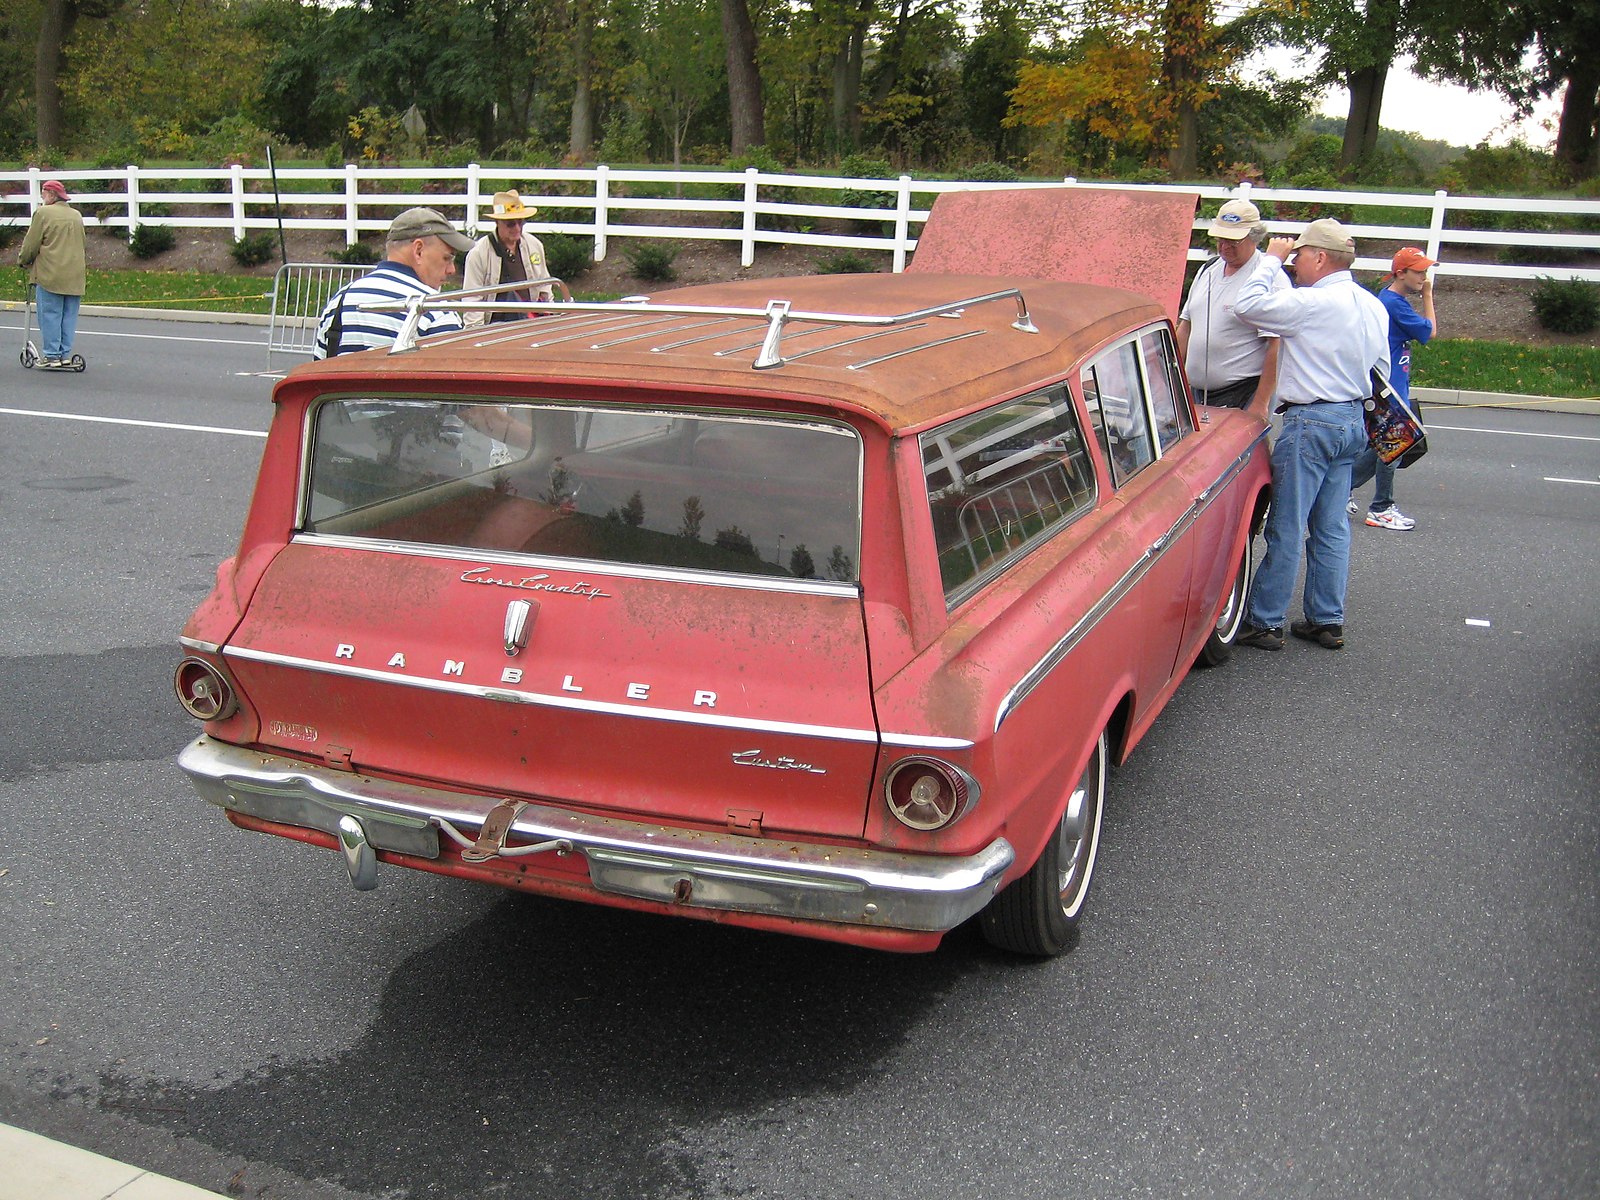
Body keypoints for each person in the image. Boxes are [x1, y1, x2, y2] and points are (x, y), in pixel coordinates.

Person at [1231, 218, 1390, 652]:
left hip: (1312, 419)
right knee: (1332, 525)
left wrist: (1271, 262)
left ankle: (1265, 620)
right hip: (1353, 417)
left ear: (1320, 257)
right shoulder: (1371, 304)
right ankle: (1325, 618)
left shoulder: (1314, 303)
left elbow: (1247, 305)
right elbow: (1382, 368)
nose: (1296, 263)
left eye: (1300, 255)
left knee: (1287, 522)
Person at [1348, 246, 1437, 530]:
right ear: (1401, 273)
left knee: (1381, 447)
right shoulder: (1395, 303)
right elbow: (1430, 331)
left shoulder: (1387, 297)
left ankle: (1337, 491)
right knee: (1394, 444)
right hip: (1390, 384)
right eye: (1419, 271)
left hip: (1390, 382)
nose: (1424, 277)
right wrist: (1428, 296)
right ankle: (1381, 508)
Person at [312, 207, 473, 358]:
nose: (452, 270)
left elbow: (317, 373)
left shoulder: (339, 301)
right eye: (447, 258)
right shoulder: (436, 310)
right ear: (418, 250)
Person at [1174, 198, 1287, 410]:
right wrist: (1170, 383)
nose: (1224, 247)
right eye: (1220, 239)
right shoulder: (1208, 269)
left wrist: (1260, 404)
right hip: (1194, 393)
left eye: (1233, 241)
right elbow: (1186, 327)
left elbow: (1277, 346)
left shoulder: (1270, 278)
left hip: (1242, 394)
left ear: (1254, 237)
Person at [18, 179, 86, 370]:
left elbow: (32, 243)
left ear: (51, 195)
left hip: (51, 273)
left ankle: (51, 354)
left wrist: (23, 260)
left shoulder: (43, 213)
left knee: (50, 314)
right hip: (75, 274)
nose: (42, 196)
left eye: (43, 193)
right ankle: (64, 354)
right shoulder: (76, 215)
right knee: (68, 316)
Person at [461, 190, 554, 329]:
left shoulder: (534, 245)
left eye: (521, 222)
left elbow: (545, 286)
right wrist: (476, 335)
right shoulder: (478, 253)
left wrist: (549, 318)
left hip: (530, 324)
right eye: (510, 223)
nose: (517, 228)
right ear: (497, 222)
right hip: (494, 328)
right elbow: (472, 301)